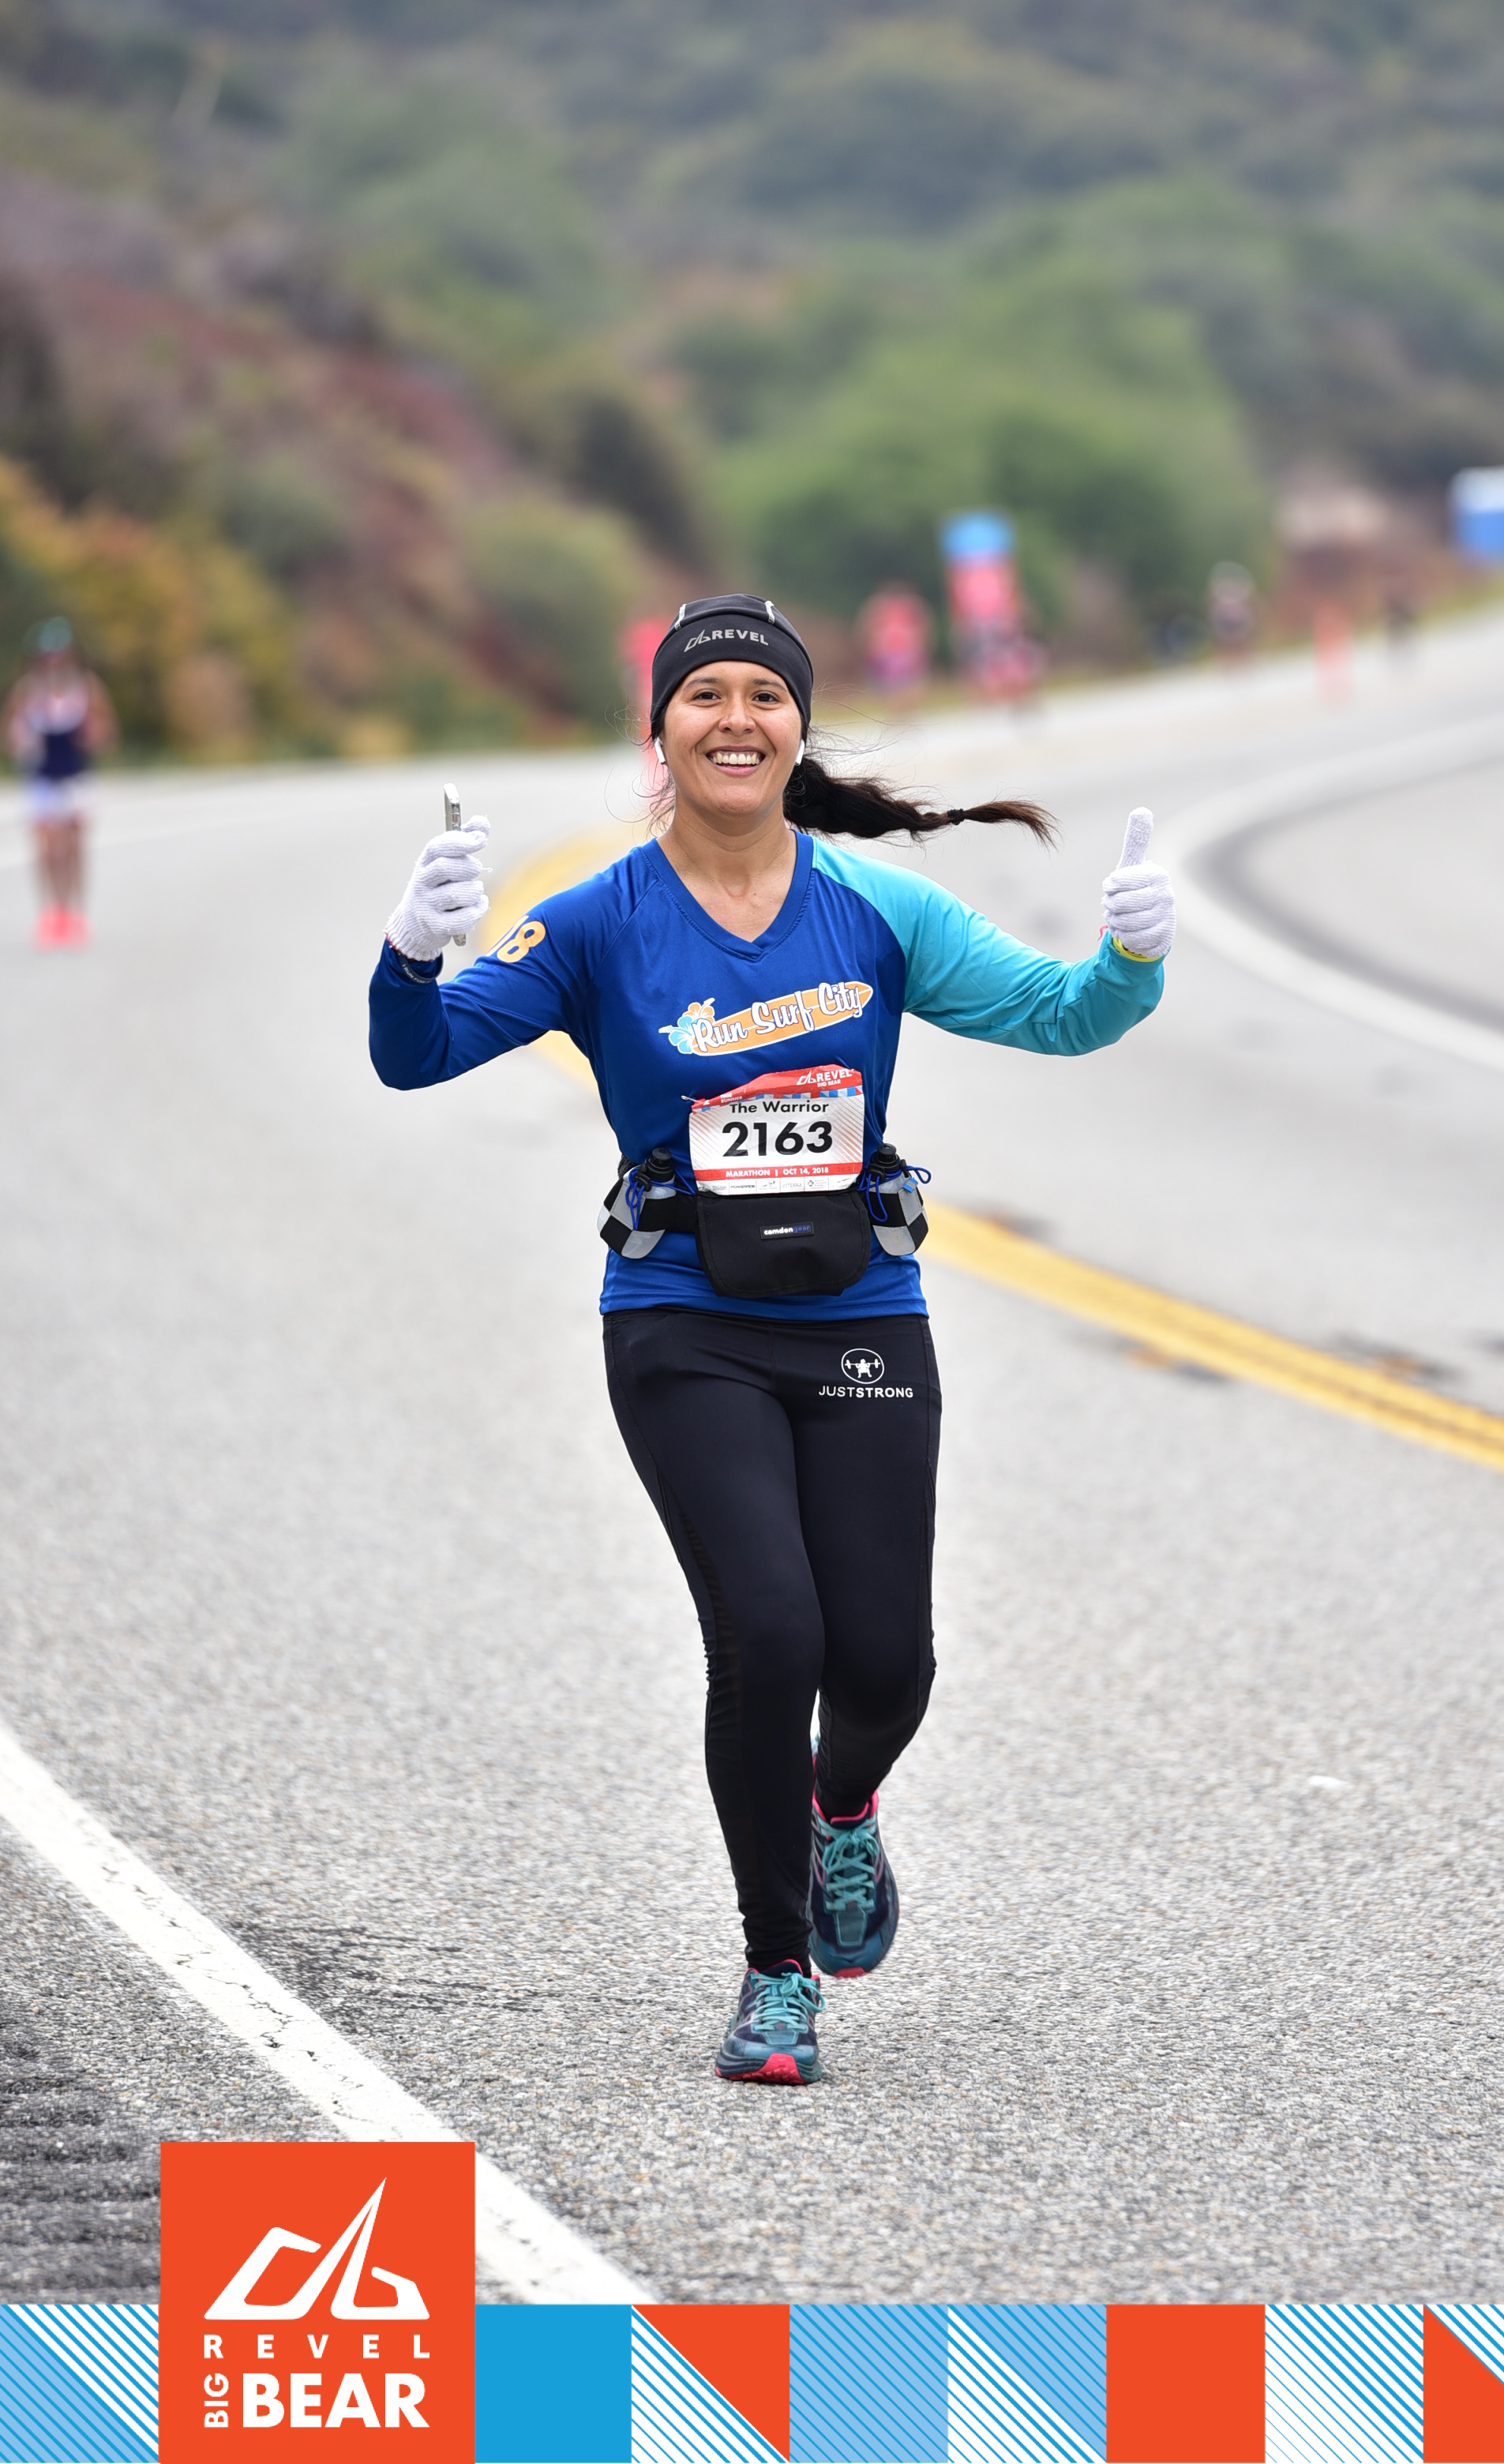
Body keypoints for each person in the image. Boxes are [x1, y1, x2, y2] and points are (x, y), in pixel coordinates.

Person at [368, 594, 1175, 2086]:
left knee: (885, 1667)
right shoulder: (596, 921)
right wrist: (410, 955)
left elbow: (1063, 1016)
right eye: (704, 695)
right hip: (682, 1318)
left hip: (858, 1309)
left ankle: (840, 1807)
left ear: (798, 728)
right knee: (770, 1634)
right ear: (659, 730)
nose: (734, 719)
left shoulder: (877, 911)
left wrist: (1128, 961)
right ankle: (775, 1968)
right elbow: (411, 1057)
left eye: (764, 695)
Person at [3, 617, 118, 948]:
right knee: (46, 849)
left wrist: (93, 736)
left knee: (73, 848)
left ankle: (75, 912)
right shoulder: (27, 691)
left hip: (76, 777)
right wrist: (20, 741)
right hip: (42, 779)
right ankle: (51, 914)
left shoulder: (88, 688)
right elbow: (9, 735)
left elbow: (107, 734)